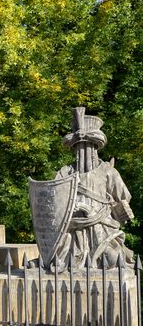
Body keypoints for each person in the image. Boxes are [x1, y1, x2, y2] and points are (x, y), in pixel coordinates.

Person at [54, 108, 134, 269]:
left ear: (95, 147)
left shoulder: (108, 171)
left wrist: (118, 208)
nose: (83, 151)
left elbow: (124, 199)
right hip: (72, 231)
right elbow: (54, 204)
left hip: (103, 227)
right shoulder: (65, 172)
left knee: (113, 260)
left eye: (88, 146)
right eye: (79, 147)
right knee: (59, 258)